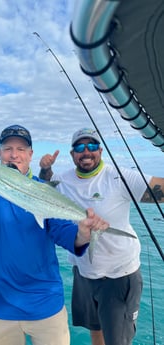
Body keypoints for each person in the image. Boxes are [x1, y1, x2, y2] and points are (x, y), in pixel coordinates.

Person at [0, 124, 110, 345]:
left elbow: (64, 233)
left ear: (30, 155)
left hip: (45, 305)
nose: (14, 154)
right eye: (7, 148)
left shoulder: (44, 190)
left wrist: (84, 233)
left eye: (21, 149)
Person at [39, 127, 164, 345]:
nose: (86, 151)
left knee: (118, 341)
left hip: (119, 276)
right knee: (95, 330)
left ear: (101, 150)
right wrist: (45, 170)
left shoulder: (119, 176)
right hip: (84, 273)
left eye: (92, 146)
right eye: (79, 147)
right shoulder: (63, 179)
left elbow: (159, 190)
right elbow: (45, 187)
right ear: (72, 154)